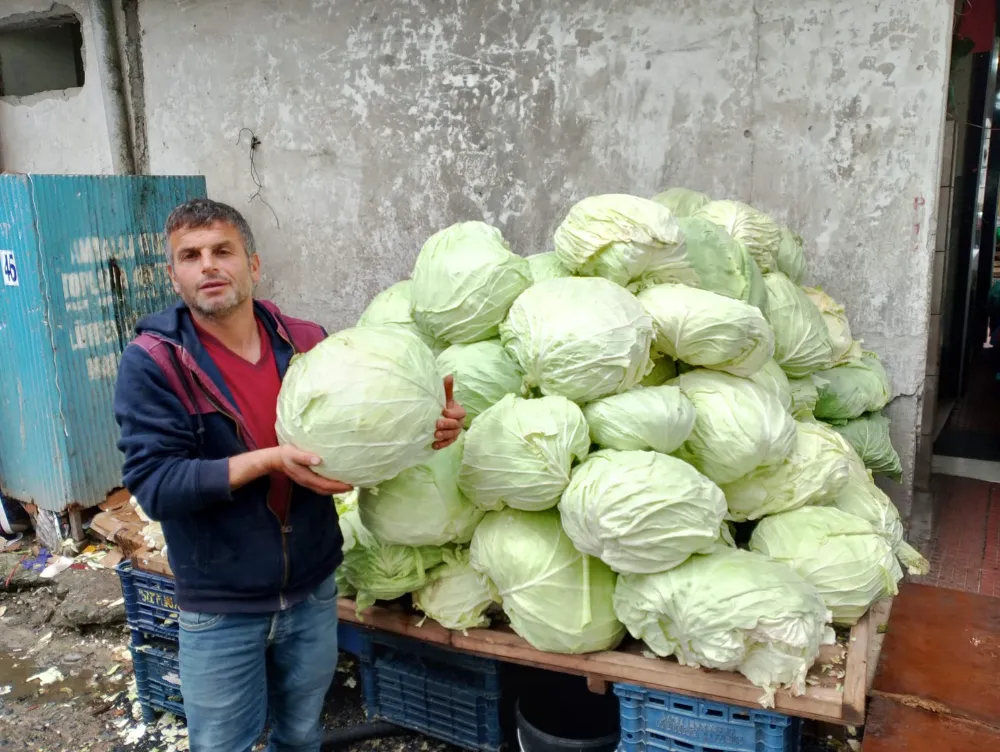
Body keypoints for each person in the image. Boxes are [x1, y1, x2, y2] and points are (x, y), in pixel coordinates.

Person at [113, 198, 465, 752]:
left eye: (223, 251)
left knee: (302, 735)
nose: (208, 266)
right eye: (191, 256)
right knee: (222, 745)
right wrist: (269, 460)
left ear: (253, 264)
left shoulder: (308, 342)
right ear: (173, 275)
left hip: (312, 590)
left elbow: (359, 441)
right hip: (221, 604)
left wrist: (427, 429)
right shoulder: (156, 363)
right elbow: (156, 486)